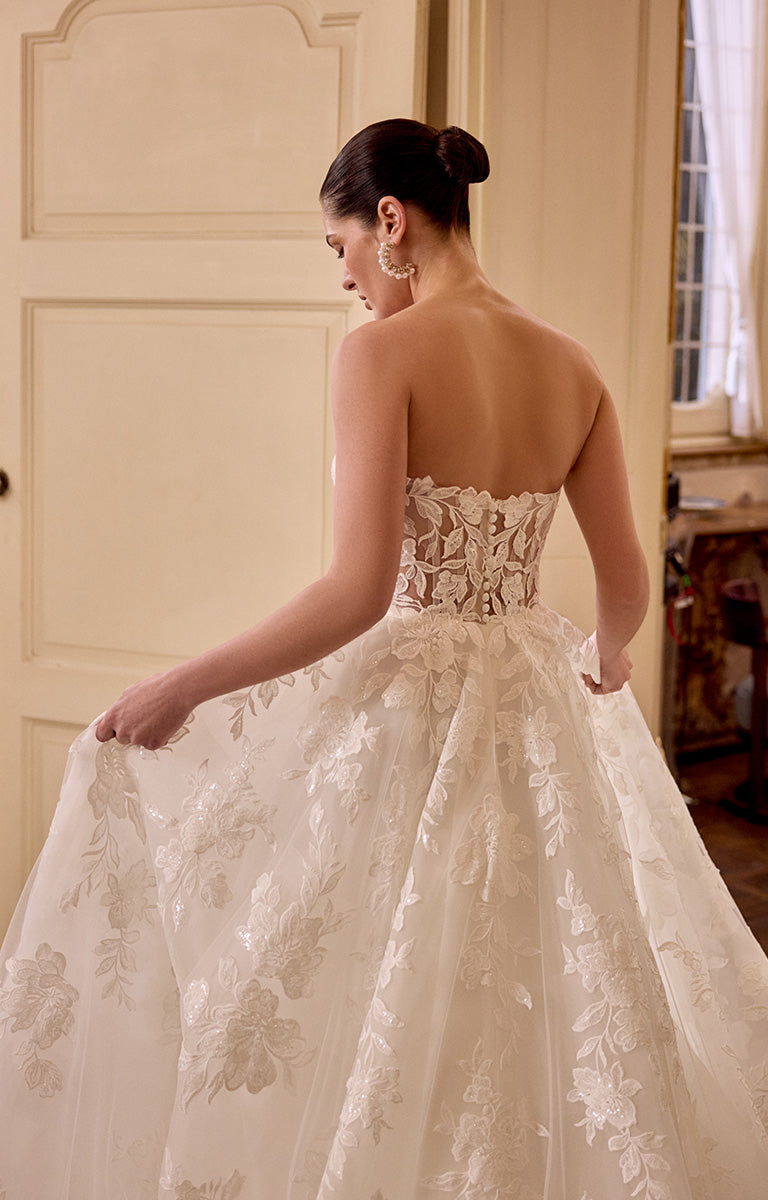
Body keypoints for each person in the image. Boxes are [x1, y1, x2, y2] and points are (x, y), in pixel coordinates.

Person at [0, 119, 766, 1200]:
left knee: (370, 980)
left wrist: (183, 684)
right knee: (554, 978)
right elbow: (626, 582)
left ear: (393, 222)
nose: (349, 280)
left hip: (415, 716)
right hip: (538, 709)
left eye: (342, 249)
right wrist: (603, 656)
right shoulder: (574, 365)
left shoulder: (380, 355)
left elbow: (356, 594)